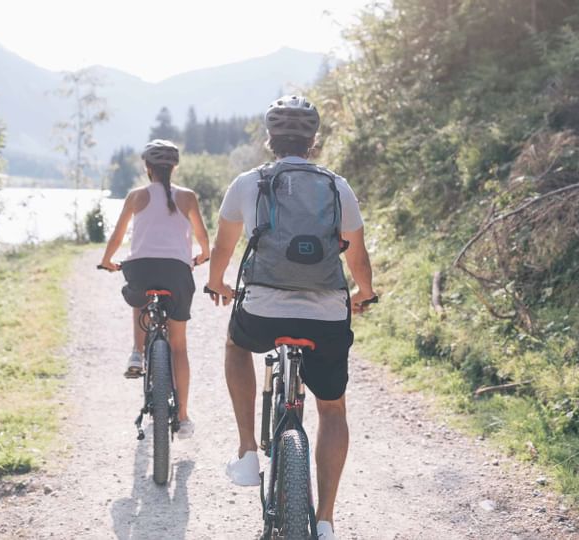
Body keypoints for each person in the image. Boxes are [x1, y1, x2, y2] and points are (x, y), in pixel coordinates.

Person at [206, 96, 376, 540]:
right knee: (332, 408)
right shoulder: (338, 186)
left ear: (270, 140)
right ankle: (326, 520)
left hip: (263, 308)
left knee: (236, 344)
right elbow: (357, 256)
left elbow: (223, 248)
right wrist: (365, 293)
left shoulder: (249, 182)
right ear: (313, 141)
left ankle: (247, 451)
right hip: (326, 312)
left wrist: (217, 283)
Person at [100, 139, 210, 438]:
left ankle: (137, 351)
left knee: (139, 292)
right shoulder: (187, 197)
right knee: (179, 347)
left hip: (141, 267)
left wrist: (107, 260)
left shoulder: (136, 196)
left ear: (147, 168)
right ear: (174, 167)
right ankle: (184, 417)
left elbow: (118, 233)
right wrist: (202, 256)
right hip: (177, 271)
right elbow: (202, 238)